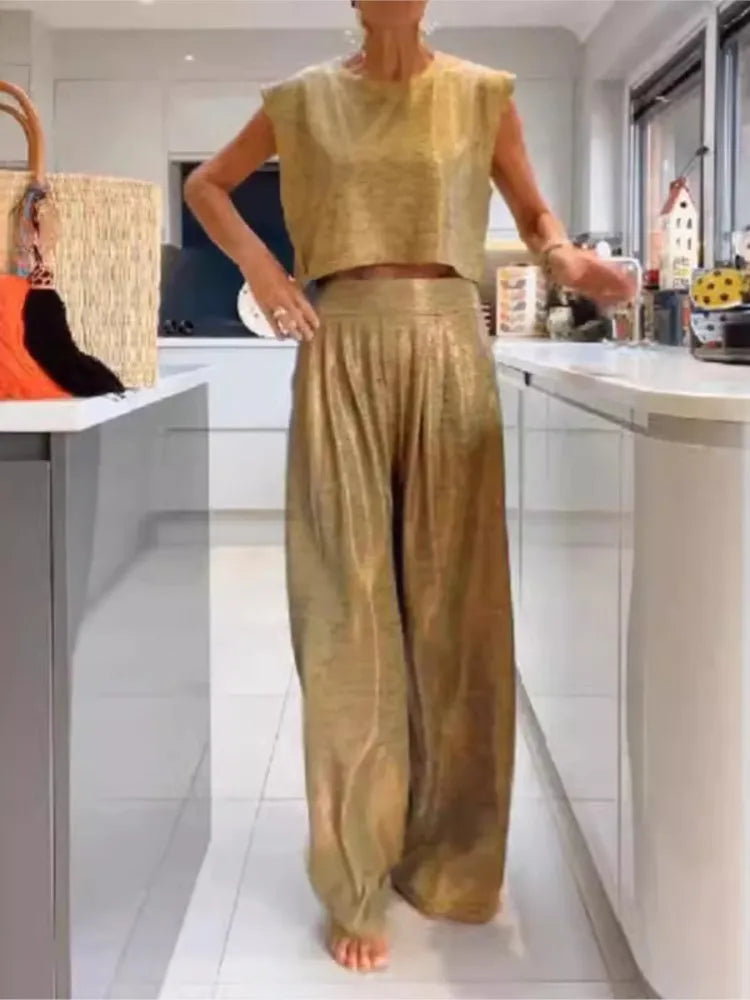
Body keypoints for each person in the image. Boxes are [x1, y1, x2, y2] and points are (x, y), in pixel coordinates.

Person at [185, 0, 634, 975]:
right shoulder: (303, 99)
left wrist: (568, 259)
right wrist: (265, 271)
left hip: (449, 344)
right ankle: (355, 872)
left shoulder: (482, 96)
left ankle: (453, 857)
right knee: (344, 613)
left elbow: (535, 217)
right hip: (340, 341)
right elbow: (207, 187)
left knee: (456, 610)